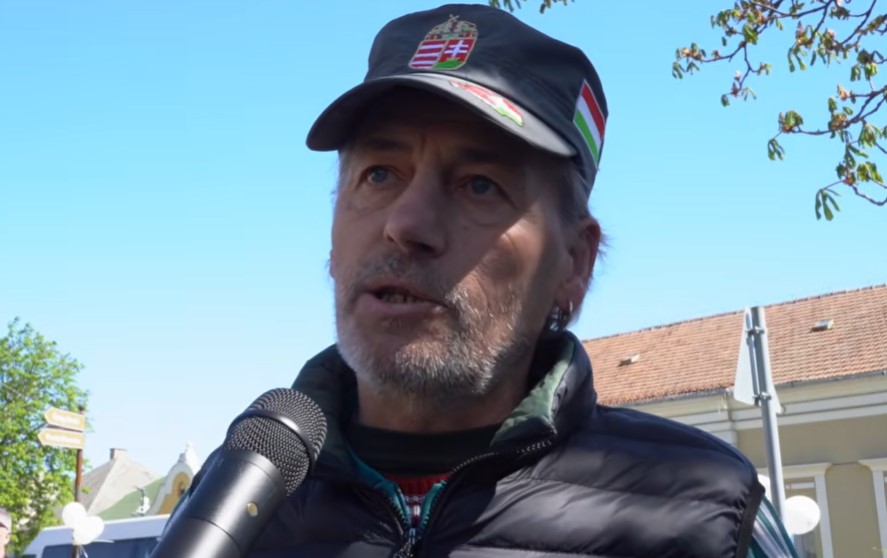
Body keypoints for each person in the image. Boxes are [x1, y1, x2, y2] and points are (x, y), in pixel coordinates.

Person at [180, 4, 798, 556]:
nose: (406, 224)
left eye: (479, 185)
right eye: (379, 174)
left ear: (574, 263)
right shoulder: (236, 502)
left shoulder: (709, 514)